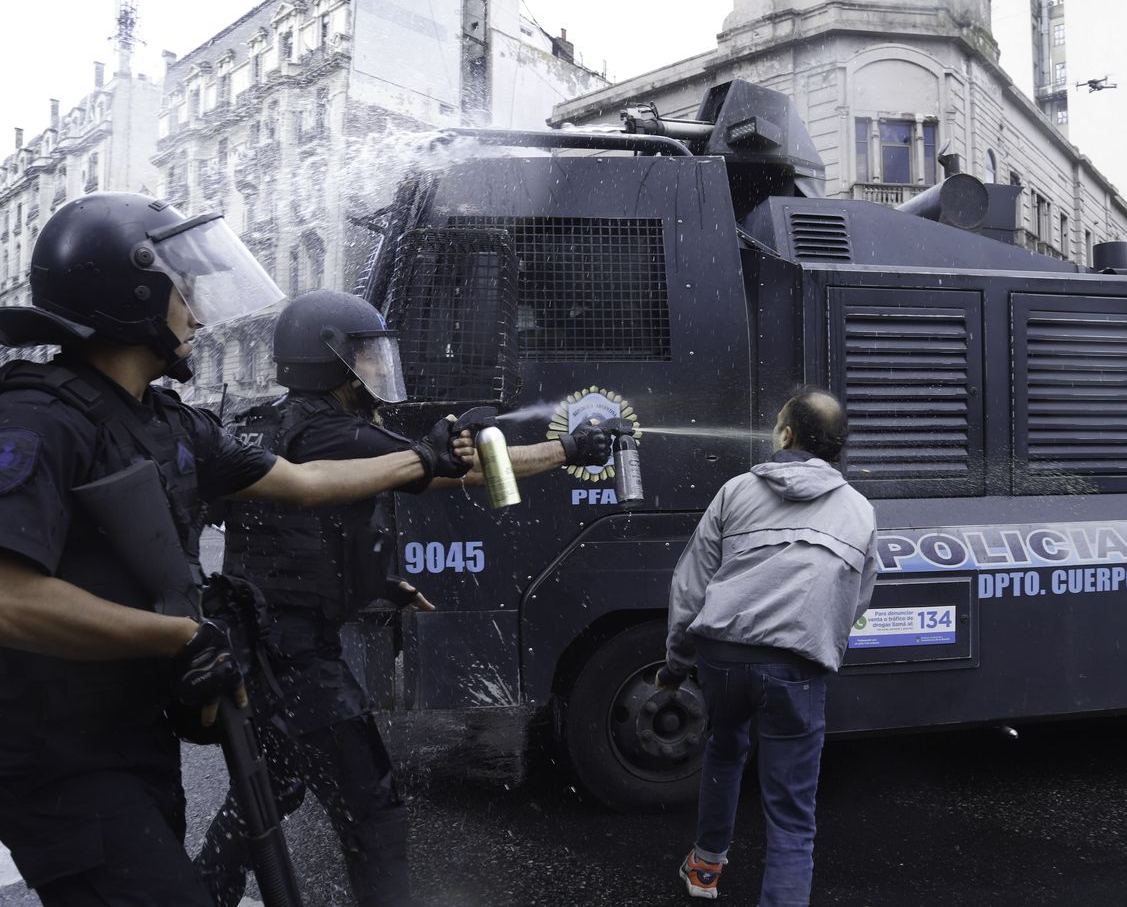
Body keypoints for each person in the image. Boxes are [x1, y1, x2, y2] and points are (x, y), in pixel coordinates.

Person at [0, 192, 476, 907]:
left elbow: (306, 482)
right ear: (133, 294)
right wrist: (180, 637)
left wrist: (424, 462)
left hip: (126, 736)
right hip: (45, 750)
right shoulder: (31, 420)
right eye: (180, 291)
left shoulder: (170, 423)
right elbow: (0, 602)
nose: (193, 312)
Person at [193, 289, 614, 907]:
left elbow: (290, 537)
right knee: (375, 808)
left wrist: (378, 584)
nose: (375, 369)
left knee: (275, 784)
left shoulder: (275, 423)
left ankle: (206, 887)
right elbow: (462, 473)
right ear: (328, 360)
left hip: (261, 643)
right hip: (295, 654)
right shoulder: (330, 432)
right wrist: (572, 448)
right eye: (364, 356)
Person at [657, 388, 879, 906]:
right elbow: (857, 598)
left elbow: (690, 585)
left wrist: (676, 661)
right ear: (839, 446)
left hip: (723, 660)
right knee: (791, 817)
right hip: (796, 670)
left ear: (787, 435)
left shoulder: (735, 491)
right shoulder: (860, 510)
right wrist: (821, 647)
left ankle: (706, 868)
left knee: (725, 751)